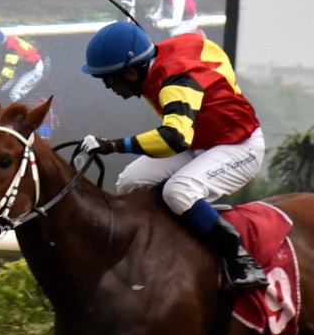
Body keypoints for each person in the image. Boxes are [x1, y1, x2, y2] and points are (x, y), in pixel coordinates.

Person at [78, 21, 269, 289]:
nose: (109, 87)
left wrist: (113, 145)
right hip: (200, 141)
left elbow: (175, 139)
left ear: (132, 72)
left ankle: (242, 260)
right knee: (129, 182)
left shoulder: (175, 84)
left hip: (239, 147)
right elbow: (204, 46)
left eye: (110, 79)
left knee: (178, 191)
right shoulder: (163, 54)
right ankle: (153, 245)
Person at [0, 29, 47, 104]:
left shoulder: (12, 51)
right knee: (3, 88)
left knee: (14, 94)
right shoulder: (7, 41)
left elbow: (7, 74)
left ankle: (28, 114)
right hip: (21, 68)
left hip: (33, 69)